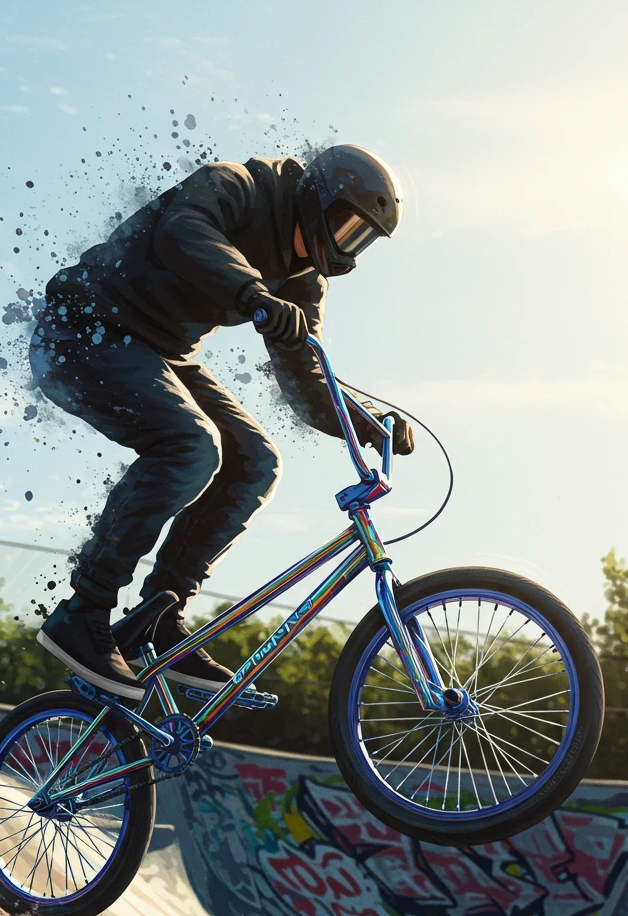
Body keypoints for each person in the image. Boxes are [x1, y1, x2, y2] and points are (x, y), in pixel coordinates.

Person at [31, 144, 414, 700]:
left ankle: (159, 619)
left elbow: (306, 381)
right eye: (343, 223)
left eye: (360, 237)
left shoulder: (303, 281)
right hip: (82, 329)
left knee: (255, 462)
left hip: (161, 350)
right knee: (191, 445)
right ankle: (84, 610)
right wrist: (253, 292)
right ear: (315, 197)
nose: (341, 243)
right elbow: (182, 231)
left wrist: (369, 423)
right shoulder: (237, 187)